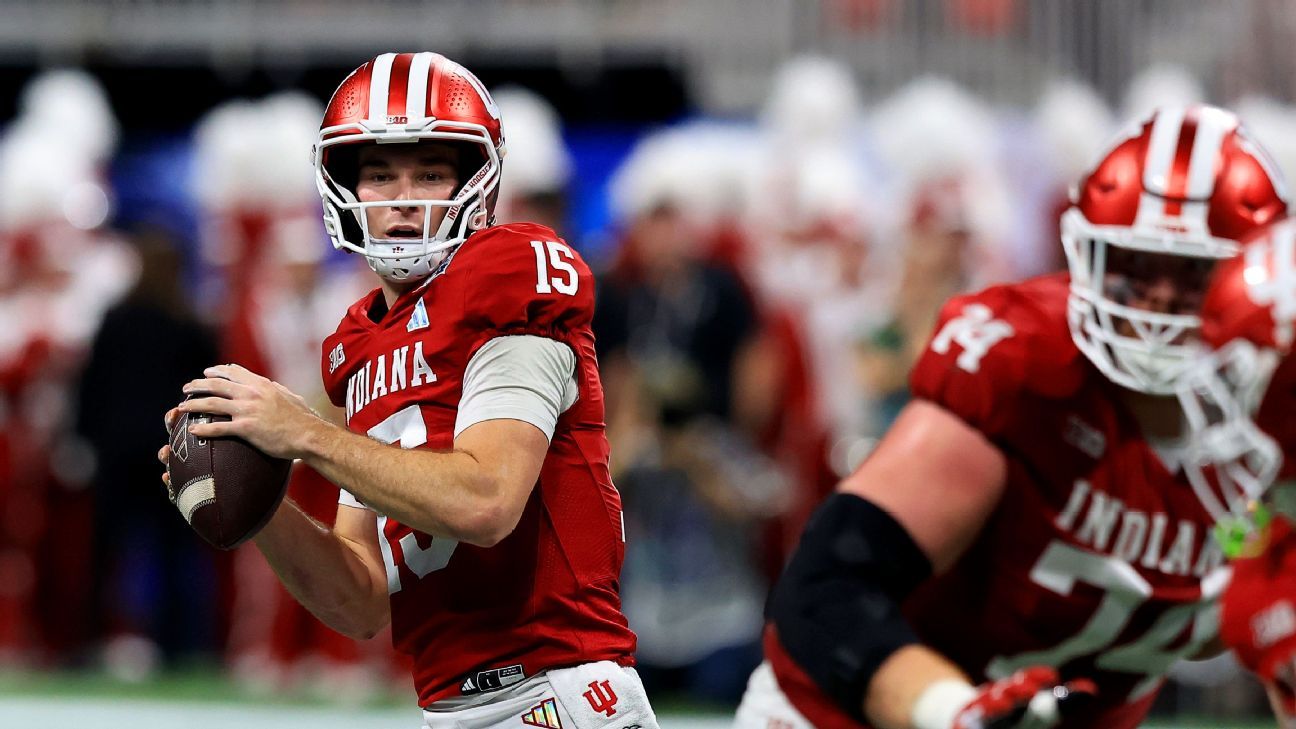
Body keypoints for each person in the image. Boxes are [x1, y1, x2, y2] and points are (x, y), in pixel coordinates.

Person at [733, 104, 1289, 729]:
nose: (1158, 306)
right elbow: (828, 590)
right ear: (1088, 258)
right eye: (1135, 268)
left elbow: (1252, 636)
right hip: (859, 710)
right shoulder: (1026, 362)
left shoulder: (1275, 408)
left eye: (1193, 274)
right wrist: (953, 710)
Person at [157, 52, 658, 729]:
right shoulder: (362, 345)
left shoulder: (513, 280)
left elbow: (485, 501)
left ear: (477, 181)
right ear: (344, 189)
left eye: (429, 172)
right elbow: (359, 600)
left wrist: (305, 433)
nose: (402, 197)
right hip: (452, 704)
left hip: (558, 695)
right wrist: (258, 493)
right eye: (380, 174)